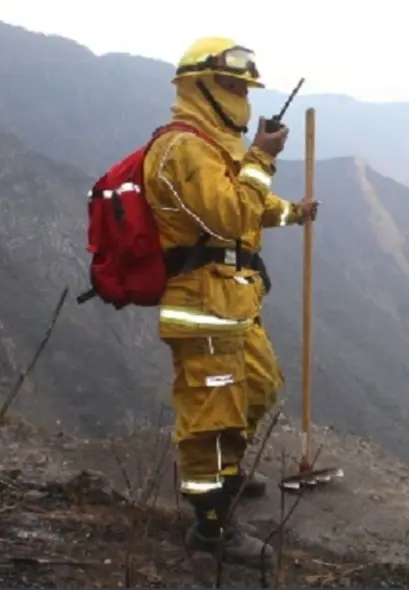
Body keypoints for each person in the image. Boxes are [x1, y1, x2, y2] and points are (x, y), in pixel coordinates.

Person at [141, 36, 318, 568]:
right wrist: (264, 154)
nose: (240, 94)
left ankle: (229, 473)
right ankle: (211, 526)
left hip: (233, 301)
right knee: (211, 417)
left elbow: (249, 203)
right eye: (230, 83)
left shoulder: (217, 147)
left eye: (245, 85)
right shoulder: (182, 149)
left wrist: (294, 212)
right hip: (201, 304)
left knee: (259, 388)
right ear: (198, 85)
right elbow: (227, 217)